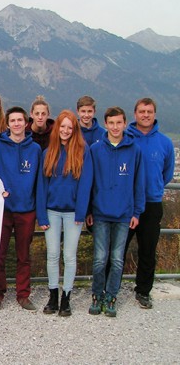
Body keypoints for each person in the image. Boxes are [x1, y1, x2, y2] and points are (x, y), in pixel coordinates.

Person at [86, 106, 145, 318]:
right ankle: (97, 294)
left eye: (119, 122)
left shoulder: (134, 150)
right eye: (111, 123)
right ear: (106, 124)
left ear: (125, 123)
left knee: (117, 259)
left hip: (124, 214)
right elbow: (89, 183)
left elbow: (139, 183)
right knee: (100, 258)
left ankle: (111, 296)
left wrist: (136, 212)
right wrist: (89, 210)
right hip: (100, 213)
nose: (115, 127)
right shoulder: (95, 149)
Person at [36, 110, 93, 316]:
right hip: (51, 211)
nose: (66, 130)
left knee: (69, 256)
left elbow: (86, 183)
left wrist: (81, 212)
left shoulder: (83, 151)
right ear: (57, 128)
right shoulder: (48, 152)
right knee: (52, 255)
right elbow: (41, 186)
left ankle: (66, 297)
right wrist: (41, 215)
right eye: (62, 126)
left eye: (70, 127)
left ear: (74, 129)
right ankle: (53, 295)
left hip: (72, 214)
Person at [0, 106, 41, 312]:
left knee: (23, 255)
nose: (17, 124)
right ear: (8, 123)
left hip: (26, 209)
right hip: (3, 209)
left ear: (26, 123)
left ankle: (23, 294)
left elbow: (38, 180)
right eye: (13, 120)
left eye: (20, 120)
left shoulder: (35, 149)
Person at [125, 98, 174, 309]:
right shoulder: (125, 138)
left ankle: (143, 291)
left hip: (151, 203)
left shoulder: (164, 142)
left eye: (149, 111)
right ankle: (110, 288)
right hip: (126, 203)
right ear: (135, 114)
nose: (146, 115)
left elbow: (167, 173)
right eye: (142, 111)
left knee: (148, 250)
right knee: (117, 248)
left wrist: (152, 187)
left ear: (154, 114)